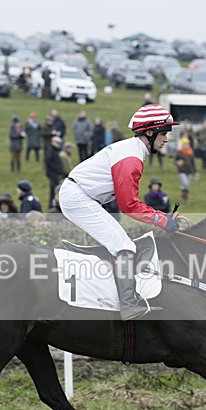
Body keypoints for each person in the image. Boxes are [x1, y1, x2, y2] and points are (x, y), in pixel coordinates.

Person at [61, 104, 181, 320]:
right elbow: (128, 206)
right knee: (124, 245)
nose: (166, 139)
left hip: (81, 195)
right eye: (164, 134)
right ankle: (127, 305)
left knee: (119, 241)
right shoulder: (131, 159)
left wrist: (160, 217)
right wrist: (162, 220)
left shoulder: (132, 150)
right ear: (150, 133)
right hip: (78, 197)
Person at [174, 137, 196, 204]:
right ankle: (184, 197)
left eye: (187, 143)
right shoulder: (179, 152)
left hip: (189, 171)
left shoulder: (190, 152)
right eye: (185, 143)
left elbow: (193, 162)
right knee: (185, 183)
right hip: (181, 171)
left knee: (187, 186)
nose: (186, 145)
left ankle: (185, 199)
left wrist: (195, 171)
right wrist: (178, 162)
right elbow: (175, 160)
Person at [44, 136, 64, 206]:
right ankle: (52, 204)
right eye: (57, 143)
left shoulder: (55, 150)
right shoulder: (51, 150)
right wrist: (56, 169)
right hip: (53, 174)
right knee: (54, 190)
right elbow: (48, 160)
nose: (58, 145)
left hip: (55, 173)